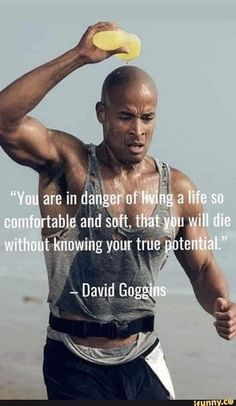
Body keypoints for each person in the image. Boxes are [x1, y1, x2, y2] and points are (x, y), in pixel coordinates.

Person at [0, 21, 235, 400]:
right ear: (101, 113)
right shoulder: (69, 166)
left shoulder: (177, 189)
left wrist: (221, 304)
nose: (137, 130)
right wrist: (78, 57)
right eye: (125, 116)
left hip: (143, 355)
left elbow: (202, 268)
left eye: (147, 117)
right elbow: (4, 120)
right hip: (73, 360)